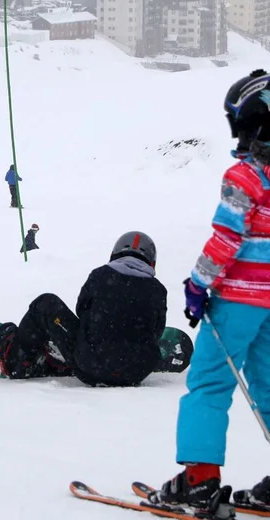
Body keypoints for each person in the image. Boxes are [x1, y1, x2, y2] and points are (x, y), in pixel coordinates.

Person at [157, 70, 270, 507]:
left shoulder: (245, 177)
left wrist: (198, 285)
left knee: (209, 384)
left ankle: (199, 482)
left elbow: (226, 239)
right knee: (268, 386)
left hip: (236, 302)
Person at [0, 231, 167, 386]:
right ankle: (121, 356)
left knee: (46, 303)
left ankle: (18, 360)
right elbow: (157, 331)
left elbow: (82, 310)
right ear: (152, 263)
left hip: (91, 366)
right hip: (136, 373)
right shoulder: (158, 290)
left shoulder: (101, 275)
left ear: (114, 254)